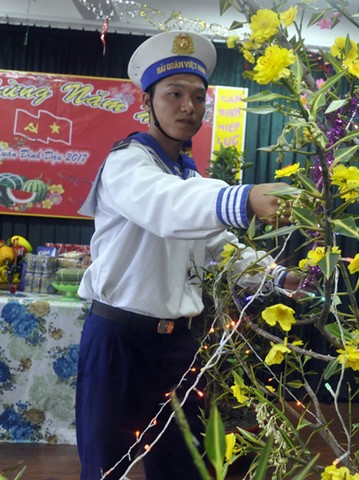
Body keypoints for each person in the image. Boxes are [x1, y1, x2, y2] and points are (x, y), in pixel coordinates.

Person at [75, 30, 297, 480]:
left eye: (198, 97)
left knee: (185, 468)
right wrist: (244, 197)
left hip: (178, 346)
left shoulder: (190, 179)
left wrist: (279, 278)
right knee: (105, 469)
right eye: (173, 94)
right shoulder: (128, 164)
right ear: (147, 102)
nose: (188, 107)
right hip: (120, 340)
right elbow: (163, 207)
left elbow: (220, 250)